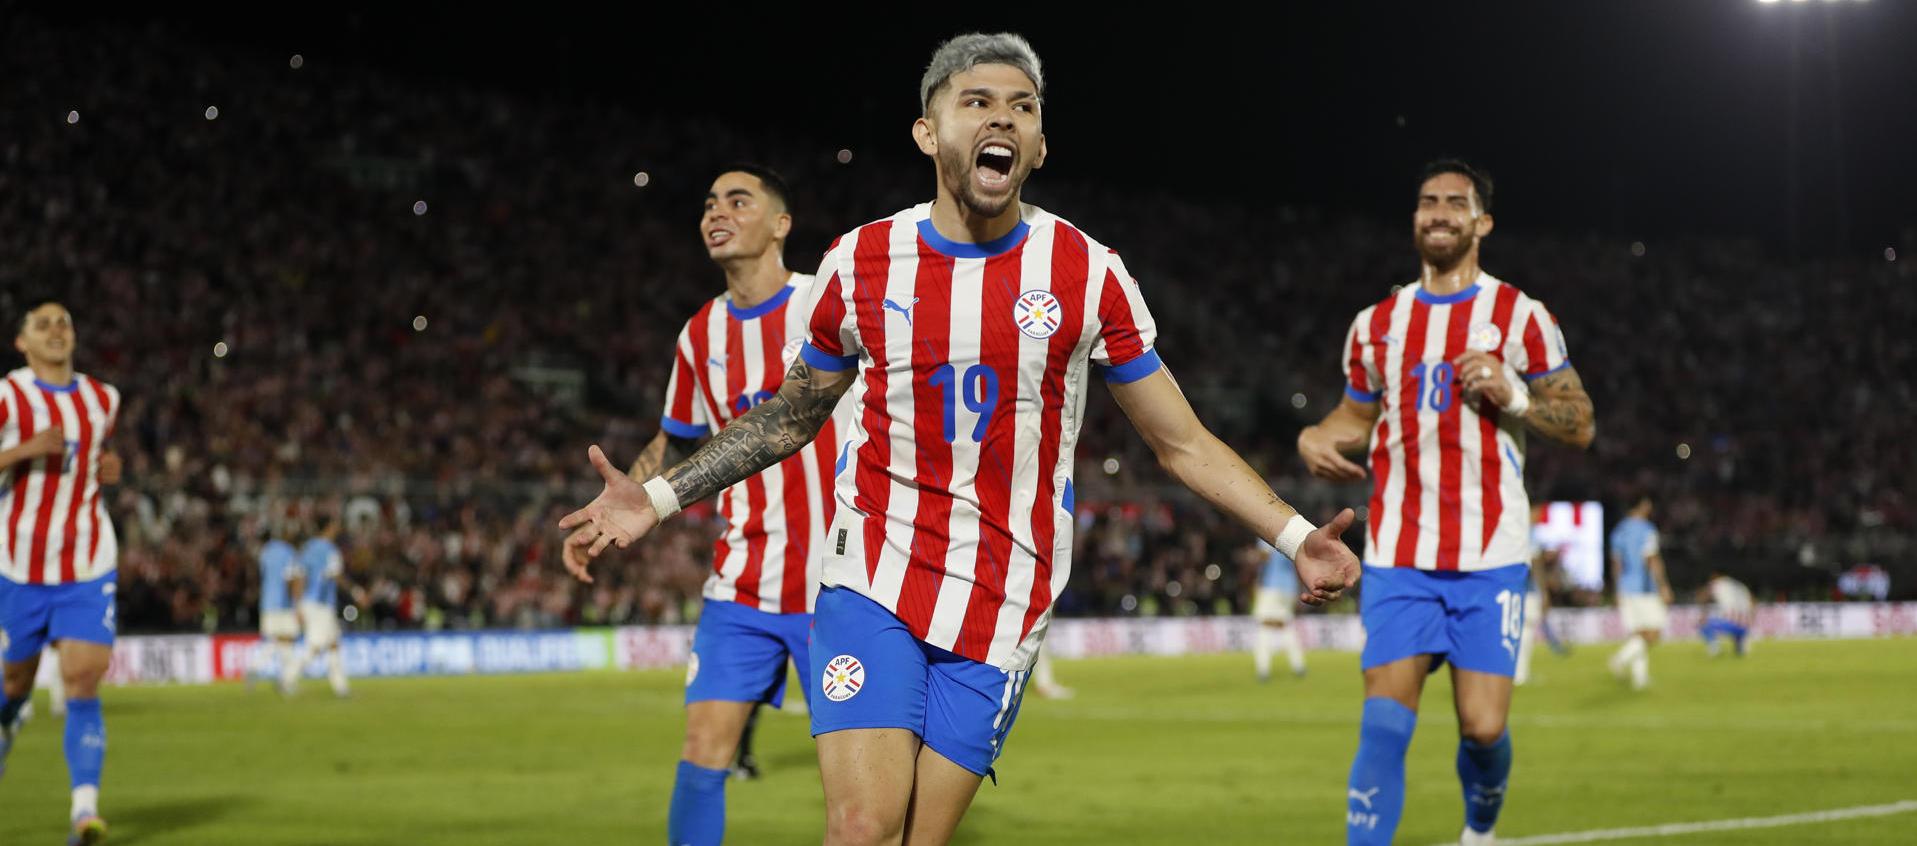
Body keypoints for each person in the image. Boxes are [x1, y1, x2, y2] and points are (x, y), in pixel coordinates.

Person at [560, 33, 1361, 846]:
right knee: (861, 829)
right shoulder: (862, 262)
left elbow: (1181, 442)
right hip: (872, 573)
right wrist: (657, 497)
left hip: (1005, 597)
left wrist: (1296, 537)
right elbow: (789, 416)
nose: (1001, 119)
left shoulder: (1085, 271)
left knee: (918, 838)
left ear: (1039, 145)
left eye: (1022, 107)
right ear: (928, 131)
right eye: (976, 101)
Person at [1298, 160, 1596, 845]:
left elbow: (1579, 423)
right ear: (1413, 217)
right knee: (1381, 724)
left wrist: (1513, 394)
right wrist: (1317, 433)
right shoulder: (1375, 323)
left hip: (1489, 557)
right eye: (1426, 202)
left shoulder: (1519, 316)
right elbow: (1352, 414)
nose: (1437, 212)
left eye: (1454, 203)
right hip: (1399, 556)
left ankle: (1479, 831)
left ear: (1481, 222)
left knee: (1483, 729)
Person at [628, 164, 850, 845]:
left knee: (855, 788)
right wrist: (619, 507)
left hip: (842, 590)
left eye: (737, 200)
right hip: (743, 584)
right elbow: (675, 440)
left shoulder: (830, 304)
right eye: (707, 204)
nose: (715, 212)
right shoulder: (700, 335)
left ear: (781, 224)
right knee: (702, 752)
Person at [0, 298, 125, 845]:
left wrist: (113, 468)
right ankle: (9, 715)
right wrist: (23, 450)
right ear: (22, 342)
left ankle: (84, 811)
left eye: (64, 322)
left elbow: (99, 461)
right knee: (13, 683)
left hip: (87, 560)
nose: (56, 331)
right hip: (18, 565)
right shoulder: (8, 394)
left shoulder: (104, 398)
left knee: (82, 676)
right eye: (42, 324)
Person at [1607, 494, 1670, 690]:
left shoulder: (1618, 531)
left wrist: (1617, 589)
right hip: (1644, 587)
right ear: (1643, 505)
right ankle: (1619, 659)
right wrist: (1663, 585)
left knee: (1639, 633)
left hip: (1626, 587)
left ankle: (1640, 679)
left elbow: (1616, 564)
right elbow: (1652, 559)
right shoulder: (1647, 529)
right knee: (1654, 632)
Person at [294, 511, 351, 697]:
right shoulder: (330, 550)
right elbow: (336, 575)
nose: (337, 528)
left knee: (334, 643)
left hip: (309, 601)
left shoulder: (307, 548)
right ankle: (288, 676)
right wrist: (357, 593)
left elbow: (299, 576)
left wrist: (298, 603)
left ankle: (340, 686)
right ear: (328, 527)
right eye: (335, 524)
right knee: (316, 646)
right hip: (322, 604)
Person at [254, 527, 303, 696]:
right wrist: (297, 604)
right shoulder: (288, 552)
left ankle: (281, 679)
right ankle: (281, 679)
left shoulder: (265, 553)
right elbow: (291, 579)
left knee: (279, 641)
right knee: (287, 641)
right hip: (283, 604)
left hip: (267, 604)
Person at [1252, 542, 1307, 681]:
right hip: (1289, 588)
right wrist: (1298, 590)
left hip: (1271, 586)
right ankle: (1298, 665)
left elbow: (1264, 557)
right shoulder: (1292, 534)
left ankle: (1263, 669)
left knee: (1265, 626)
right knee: (1285, 626)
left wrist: (1254, 563)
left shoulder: (1266, 529)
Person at [1697, 570, 1753, 658]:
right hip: (1745, 625)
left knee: (1703, 623)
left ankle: (1714, 648)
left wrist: (1704, 611)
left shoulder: (1718, 583)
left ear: (1715, 576)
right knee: (1739, 623)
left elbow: (1703, 596)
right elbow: (1752, 602)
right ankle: (1741, 645)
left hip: (1729, 622)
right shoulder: (1740, 585)